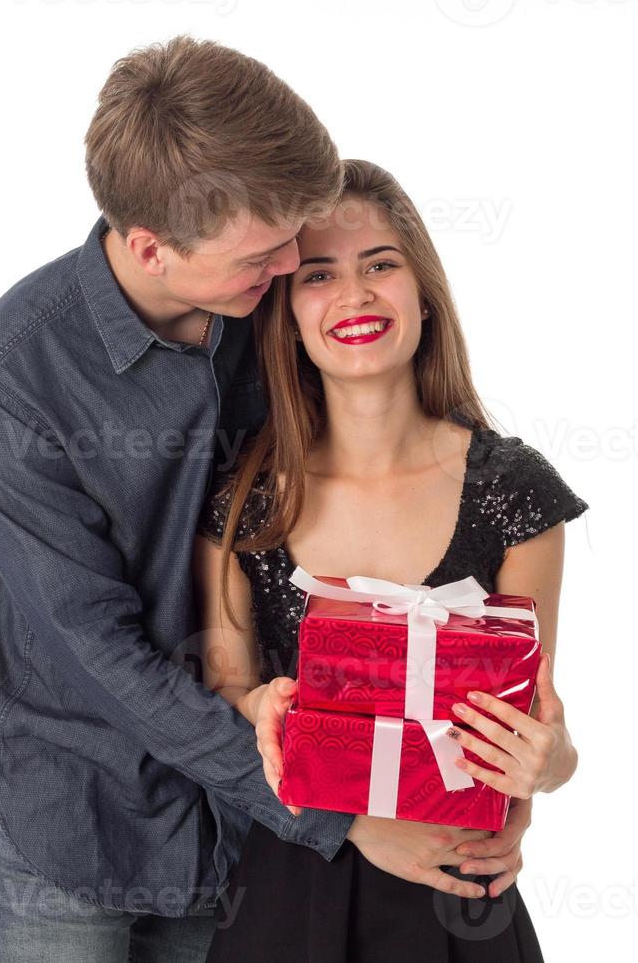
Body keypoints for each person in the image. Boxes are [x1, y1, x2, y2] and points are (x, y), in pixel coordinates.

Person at [0, 38, 513, 963]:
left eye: (296, 235)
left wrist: (507, 790)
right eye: (265, 251)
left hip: (239, 832)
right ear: (149, 247)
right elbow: (99, 653)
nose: (293, 262)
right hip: (73, 818)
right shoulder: (9, 380)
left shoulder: (271, 305)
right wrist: (337, 818)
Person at [195, 159, 588, 962]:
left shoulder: (513, 490)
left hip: (459, 905)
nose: (356, 294)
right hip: (287, 891)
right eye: (319, 275)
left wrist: (551, 768)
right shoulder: (245, 502)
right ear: (286, 314)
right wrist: (263, 711)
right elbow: (221, 700)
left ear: (423, 292)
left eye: (381, 264)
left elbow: (538, 722)